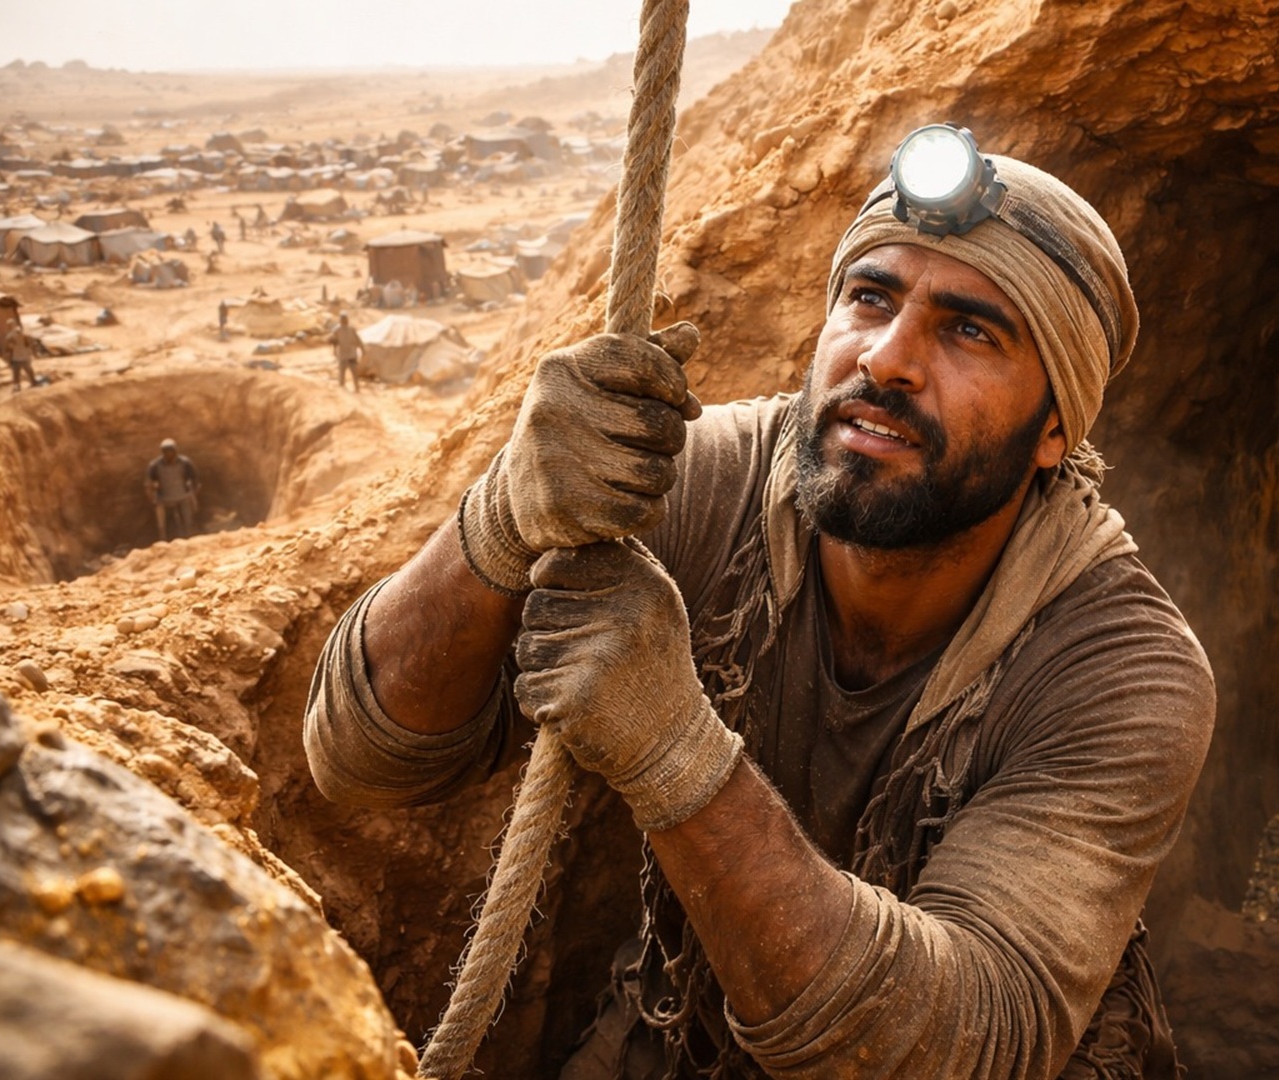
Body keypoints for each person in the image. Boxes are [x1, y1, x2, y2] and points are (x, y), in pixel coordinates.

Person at [305, 134, 1215, 1079]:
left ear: (1055, 429)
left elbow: (958, 1041)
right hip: (691, 1023)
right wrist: (496, 520)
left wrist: (672, 751)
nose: (889, 359)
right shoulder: (699, 484)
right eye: (870, 298)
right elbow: (361, 761)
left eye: (969, 331)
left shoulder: (1124, 673)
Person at [146, 438, 199, 541]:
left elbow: (195, 478)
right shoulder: (155, 466)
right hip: (164, 499)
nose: (169, 454)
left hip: (183, 496)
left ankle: (189, 538)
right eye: (166, 451)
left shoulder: (185, 462)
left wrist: (193, 493)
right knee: (162, 524)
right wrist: (152, 498)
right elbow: (148, 484)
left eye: (171, 451)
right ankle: (163, 540)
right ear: (162, 452)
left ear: (175, 450)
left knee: (188, 520)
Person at [331, 315, 362, 392]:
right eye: (344, 320)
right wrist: (334, 350)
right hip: (345, 354)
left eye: (345, 320)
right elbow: (334, 341)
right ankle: (343, 388)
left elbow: (358, 340)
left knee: (352, 372)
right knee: (343, 372)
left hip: (350, 354)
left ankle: (356, 388)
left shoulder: (351, 329)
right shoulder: (337, 330)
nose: (345, 321)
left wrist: (362, 349)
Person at [2, 324, 35, 393]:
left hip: (16, 358)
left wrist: (8, 358)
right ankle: (33, 382)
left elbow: (9, 348)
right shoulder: (25, 336)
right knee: (29, 371)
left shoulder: (10, 337)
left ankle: (17, 387)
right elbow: (30, 345)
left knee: (16, 373)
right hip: (25, 357)